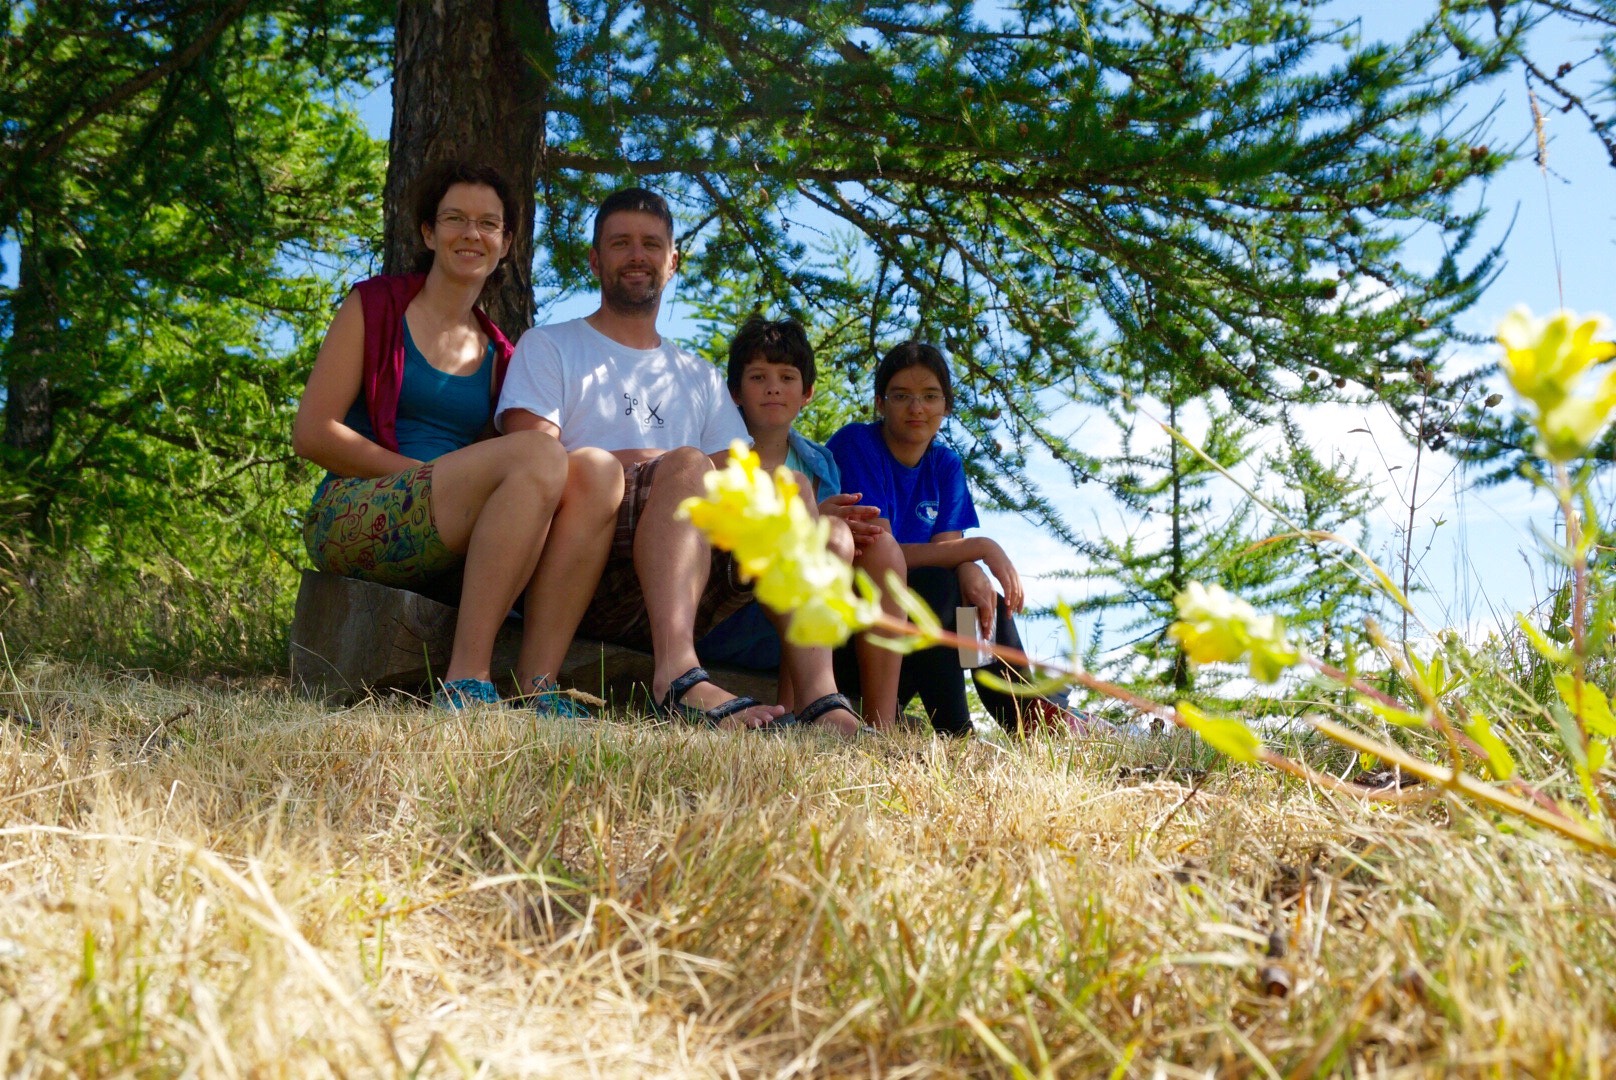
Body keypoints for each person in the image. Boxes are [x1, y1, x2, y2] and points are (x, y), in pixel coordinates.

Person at [495, 188, 862, 735]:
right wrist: (669, 465)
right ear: (594, 259)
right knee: (689, 465)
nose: (636, 256)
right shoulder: (549, 346)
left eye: (651, 244)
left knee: (792, 488)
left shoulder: (700, 376)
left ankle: (819, 699)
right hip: (581, 562)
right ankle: (678, 678)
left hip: (689, 579)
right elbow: (533, 460)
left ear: (673, 262)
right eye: (620, 243)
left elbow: (738, 476)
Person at [292, 161, 622, 713]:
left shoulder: (502, 355)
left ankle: (539, 686)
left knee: (597, 471)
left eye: (488, 224)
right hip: (355, 513)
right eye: (455, 219)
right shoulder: (374, 306)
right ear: (428, 232)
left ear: (506, 243)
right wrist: (424, 477)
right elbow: (312, 433)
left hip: (453, 531)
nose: (472, 234)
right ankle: (466, 679)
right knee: (539, 453)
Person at [827, 342, 1086, 737]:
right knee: (937, 586)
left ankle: (1027, 721)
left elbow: (945, 551)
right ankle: (958, 731)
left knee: (977, 597)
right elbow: (880, 553)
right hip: (855, 646)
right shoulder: (857, 444)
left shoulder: (945, 464)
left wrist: (969, 567)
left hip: (910, 650)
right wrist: (981, 549)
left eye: (930, 397)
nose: (917, 408)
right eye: (901, 396)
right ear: (880, 403)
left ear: (946, 406)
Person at [696, 316, 909, 727]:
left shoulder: (819, 463)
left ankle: (882, 723)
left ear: (807, 392)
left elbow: (833, 546)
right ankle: (794, 711)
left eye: (787, 377)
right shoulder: (715, 451)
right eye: (758, 377)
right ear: (735, 392)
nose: (773, 387)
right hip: (732, 607)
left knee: (881, 546)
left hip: (806, 617)